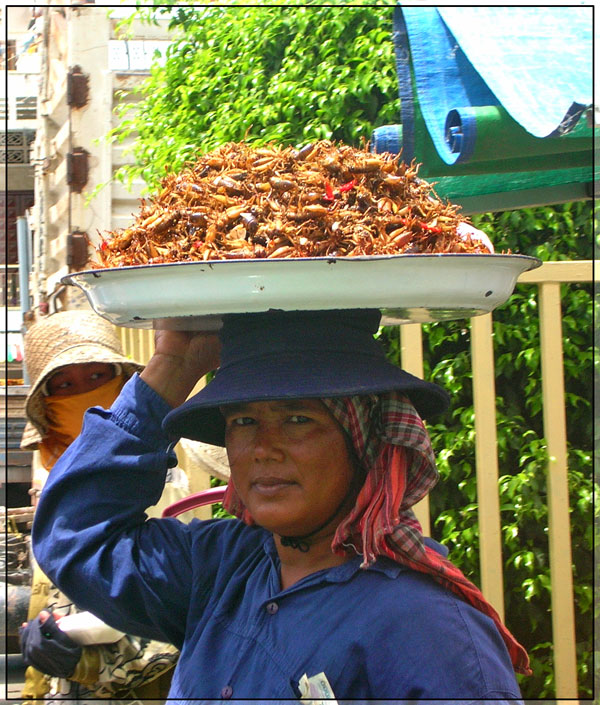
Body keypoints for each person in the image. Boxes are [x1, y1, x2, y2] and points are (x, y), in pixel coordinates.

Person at [31, 308, 531, 701]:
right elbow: (78, 537)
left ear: (365, 440)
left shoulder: (429, 631)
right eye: (244, 422)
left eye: (297, 419)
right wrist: (175, 366)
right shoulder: (223, 568)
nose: (262, 449)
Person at [18, 310, 190, 703]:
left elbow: (188, 609)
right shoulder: (51, 475)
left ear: (123, 382)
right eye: (64, 384)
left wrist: (88, 663)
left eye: (97, 377)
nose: (83, 392)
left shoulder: (170, 474)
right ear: (48, 404)